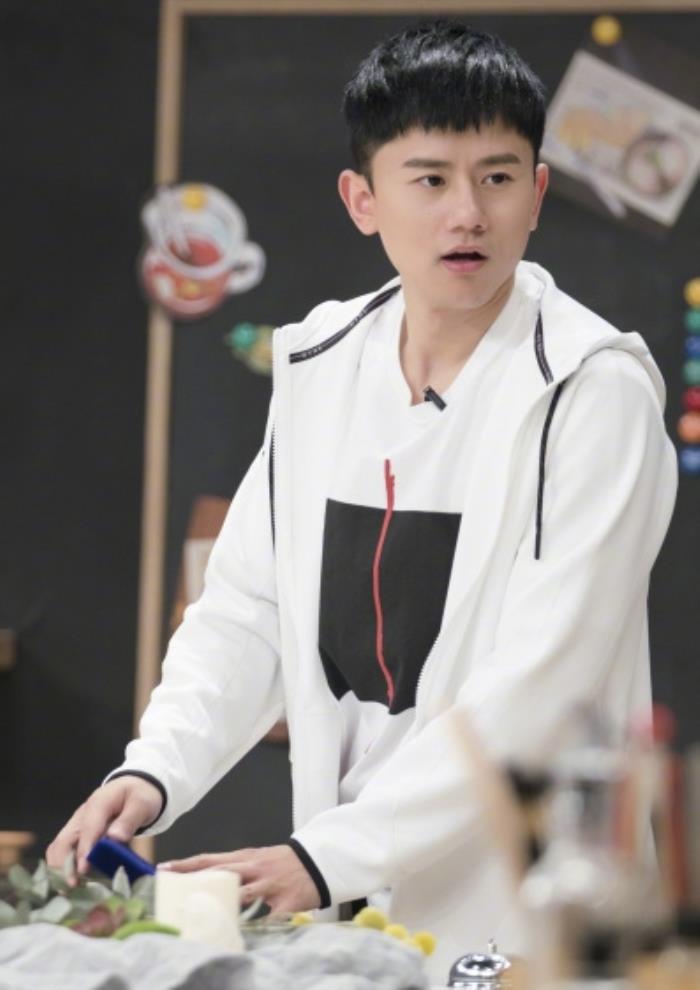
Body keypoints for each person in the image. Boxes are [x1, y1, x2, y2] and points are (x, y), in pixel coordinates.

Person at [48, 20, 677, 980]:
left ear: (539, 194)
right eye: (429, 179)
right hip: (353, 910)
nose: (467, 213)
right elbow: (247, 612)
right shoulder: (322, 365)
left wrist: (322, 857)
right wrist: (154, 770)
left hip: (530, 904)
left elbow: (545, 689)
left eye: (498, 177)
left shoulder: (592, 390)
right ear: (362, 200)